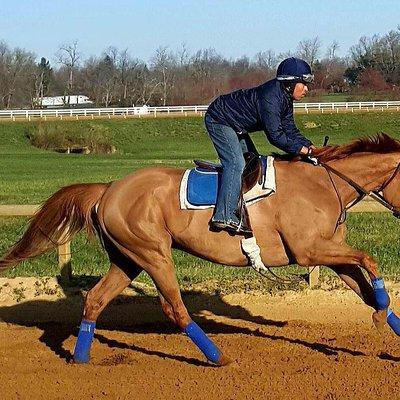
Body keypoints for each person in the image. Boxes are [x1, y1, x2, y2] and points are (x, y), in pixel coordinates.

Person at [205, 57, 316, 234]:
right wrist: (303, 150)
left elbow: (289, 129)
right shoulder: (271, 99)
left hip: (235, 124)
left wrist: (311, 147)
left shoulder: (285, 98)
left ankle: (245, 206)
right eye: (303, 84)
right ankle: (223, 215)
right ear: (290, 84)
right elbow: (275, 136)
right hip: (219, 120)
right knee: (236, 163)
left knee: (253, 163)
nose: (307, 89)